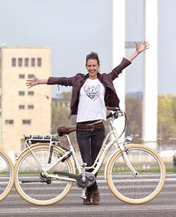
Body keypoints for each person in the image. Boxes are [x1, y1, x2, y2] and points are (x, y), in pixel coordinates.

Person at [26, 40, 149, 206]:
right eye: (89, 66)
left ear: (98, 65)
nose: (91, 68)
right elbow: (61, 80)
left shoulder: (105, 79)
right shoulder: (78, 80)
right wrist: (40, 81)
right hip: (82, 128)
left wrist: (137, 52)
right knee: (87, 163)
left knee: (95, 165)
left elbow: (121, 67)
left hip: (98, 127)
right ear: (86, 66)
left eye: (94, 65)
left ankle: (92, 192)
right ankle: (93, 191)